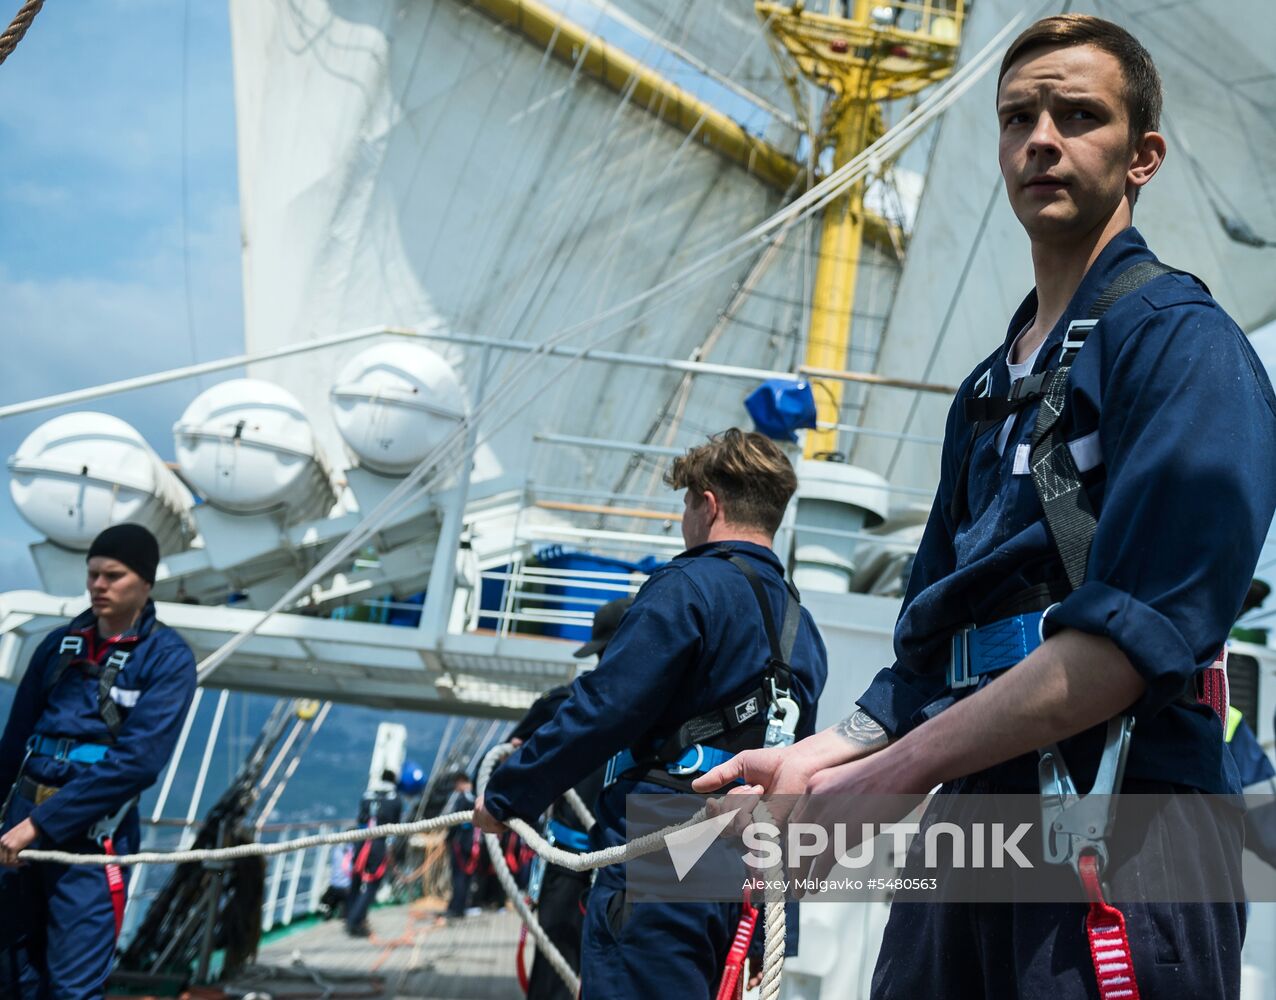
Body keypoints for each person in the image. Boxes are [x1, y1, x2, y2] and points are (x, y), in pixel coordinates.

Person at [696, 15, 1276, 999]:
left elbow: (1135, 635)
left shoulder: (1186, 351)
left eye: (1077, 114)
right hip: (974, 822)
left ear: (1143, 158)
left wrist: (885, 779)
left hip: (1124, 819)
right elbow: (937, 645)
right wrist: (819, 755)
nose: (1040, 137)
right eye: (1017, 117)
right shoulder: (983, 392)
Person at [475, 428, 828, 999]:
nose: (683, 521)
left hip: (664, 839)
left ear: (707, 504)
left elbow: (603, 708)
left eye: (685, 504)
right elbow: (799, 774)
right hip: (747, 852)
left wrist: (505, 797)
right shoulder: (801, 627)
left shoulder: (686, 587)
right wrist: (767, 930)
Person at [0, 523, 198, 998]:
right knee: (11, 978)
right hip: (20, 825)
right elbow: (14, 744)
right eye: (93, 575)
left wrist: (42, 825)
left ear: (145, 583)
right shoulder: (56, 647)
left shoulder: (168, 660)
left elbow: (137, 762)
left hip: (92, 838)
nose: (99, 586)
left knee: (72, 989)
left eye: (113, 575)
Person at [518, 597, 632, 1000]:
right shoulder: (665, 712)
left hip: (572, 866)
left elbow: (509, 760)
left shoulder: (562, 705)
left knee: (556, 970)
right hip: (623, 869)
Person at [344, 768, 403, 937]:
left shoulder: (367, 796)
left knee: (356, 879)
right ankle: (355, 922)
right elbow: (395, 826)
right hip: (378, 843)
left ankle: (349, 914)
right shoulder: (395, 800)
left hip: (361, 840)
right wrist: (390, 846)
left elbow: (360, 818)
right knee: (372, 883)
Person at [442, 771, 479, 920]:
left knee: (458, 876)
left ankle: (456, 908)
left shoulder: (463, 799)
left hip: (462, 841)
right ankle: (462, 905)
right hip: (475, 842)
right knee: (468, 876)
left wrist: (448, 839)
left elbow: (454, 822)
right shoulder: (476, 797)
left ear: (461, 782)